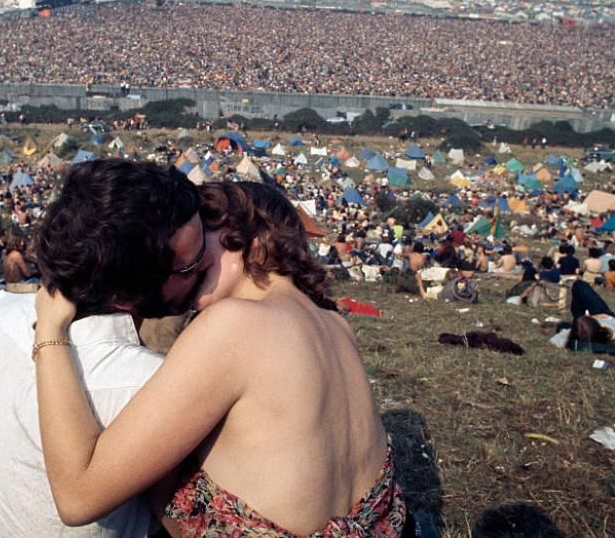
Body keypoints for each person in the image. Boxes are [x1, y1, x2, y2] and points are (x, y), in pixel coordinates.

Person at [33, 182, 406, 536]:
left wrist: (50, 330)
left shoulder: (234, 325)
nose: (185, 260)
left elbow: (78, 497)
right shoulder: (337, 326)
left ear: (256, 237)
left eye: (203, 233)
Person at [0, 159, 208, 538]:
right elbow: (194, 525)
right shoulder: (149, 385)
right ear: (128, 293)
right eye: (191, 267)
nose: (206, 269)